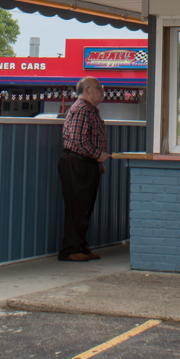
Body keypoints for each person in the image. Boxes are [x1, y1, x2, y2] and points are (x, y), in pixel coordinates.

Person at [58, 77, 109, 261]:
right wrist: (97, 155)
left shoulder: (90, 110)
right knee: (77, 208)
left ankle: (81, 247)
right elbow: (78, 141)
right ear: (87, 91)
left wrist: (97, 162)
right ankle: (70, 250)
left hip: (86, 163)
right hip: (77, 163)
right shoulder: (82, 110)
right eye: (99, 87)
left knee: (84, 208)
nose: (102, 90)